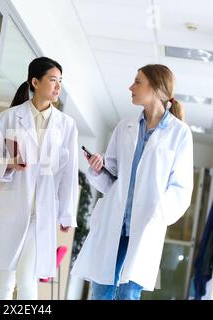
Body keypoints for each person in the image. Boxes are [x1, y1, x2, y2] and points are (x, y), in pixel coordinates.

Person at [71, 64, 193, 300]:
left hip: (145, 225)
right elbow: (113, 177)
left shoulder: (179, 133)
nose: (131, 87)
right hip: (114, 223)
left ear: (156, 88)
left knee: (128, 294)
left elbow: (181, 188)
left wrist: (158, 213)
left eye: (138, 82)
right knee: (100, 292)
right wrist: (99, 167)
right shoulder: (124, 126)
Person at [0, 57, 79, 300]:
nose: (58, 87)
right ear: (35, 82)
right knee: (3, 283)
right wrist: (9, 164)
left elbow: (68, 173)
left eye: (60, 82)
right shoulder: (8, 118)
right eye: (52, 80)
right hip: (11, 208)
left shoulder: (66, 125)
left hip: (42, 214)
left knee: (27, 281)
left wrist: (67, 213)